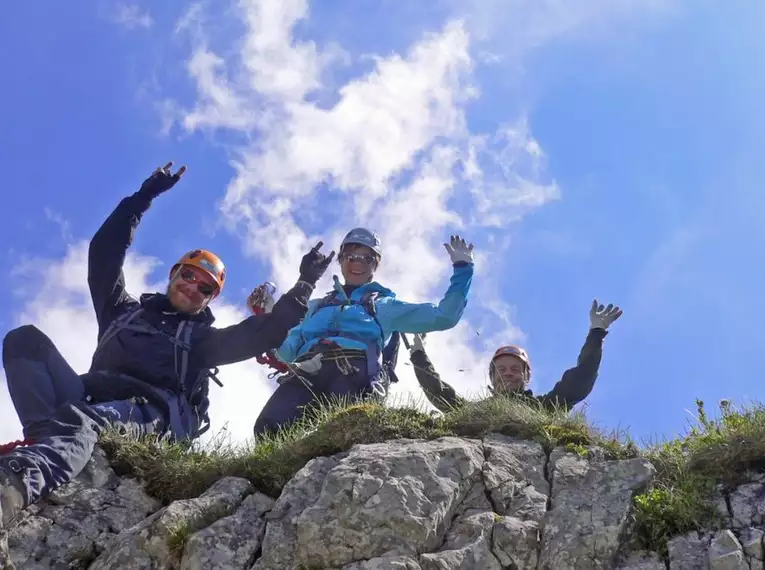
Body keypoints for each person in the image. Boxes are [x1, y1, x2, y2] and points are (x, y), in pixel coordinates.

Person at [0, 163, 333, 527]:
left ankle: (15, 485)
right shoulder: (122, 311)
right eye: (188, 275)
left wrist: (304, 284)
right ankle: (45, 439)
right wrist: (143, 198)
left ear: (210, 300)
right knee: (24, 340)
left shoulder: (201, 341)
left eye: (204, 288)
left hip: (150, 412)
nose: (192, 287)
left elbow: (265, 332)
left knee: (84, 420)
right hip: (86, 393)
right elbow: (104, 254)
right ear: (174, 273)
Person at [252, 228, 475, 435]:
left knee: (345, 433)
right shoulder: (314, 307)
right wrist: (271, 318)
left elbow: (444, 316)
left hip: (354, 373)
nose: (357, 263)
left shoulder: (384, 305)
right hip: (307, 371)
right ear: (340, 260)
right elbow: (287, 352)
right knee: (268, 427)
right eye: (351, 256)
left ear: (375, 265)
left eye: (366, 258)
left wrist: (463, 270)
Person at [408, 300, 623, 413]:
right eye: (501, 370)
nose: (508, 374)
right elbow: (440, 394)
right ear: (491, 377)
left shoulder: (544, 407)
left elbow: (580, 380)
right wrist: (418, 355)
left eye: (515, 369)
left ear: (526, 375)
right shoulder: (476, 412)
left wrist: (596, 333)